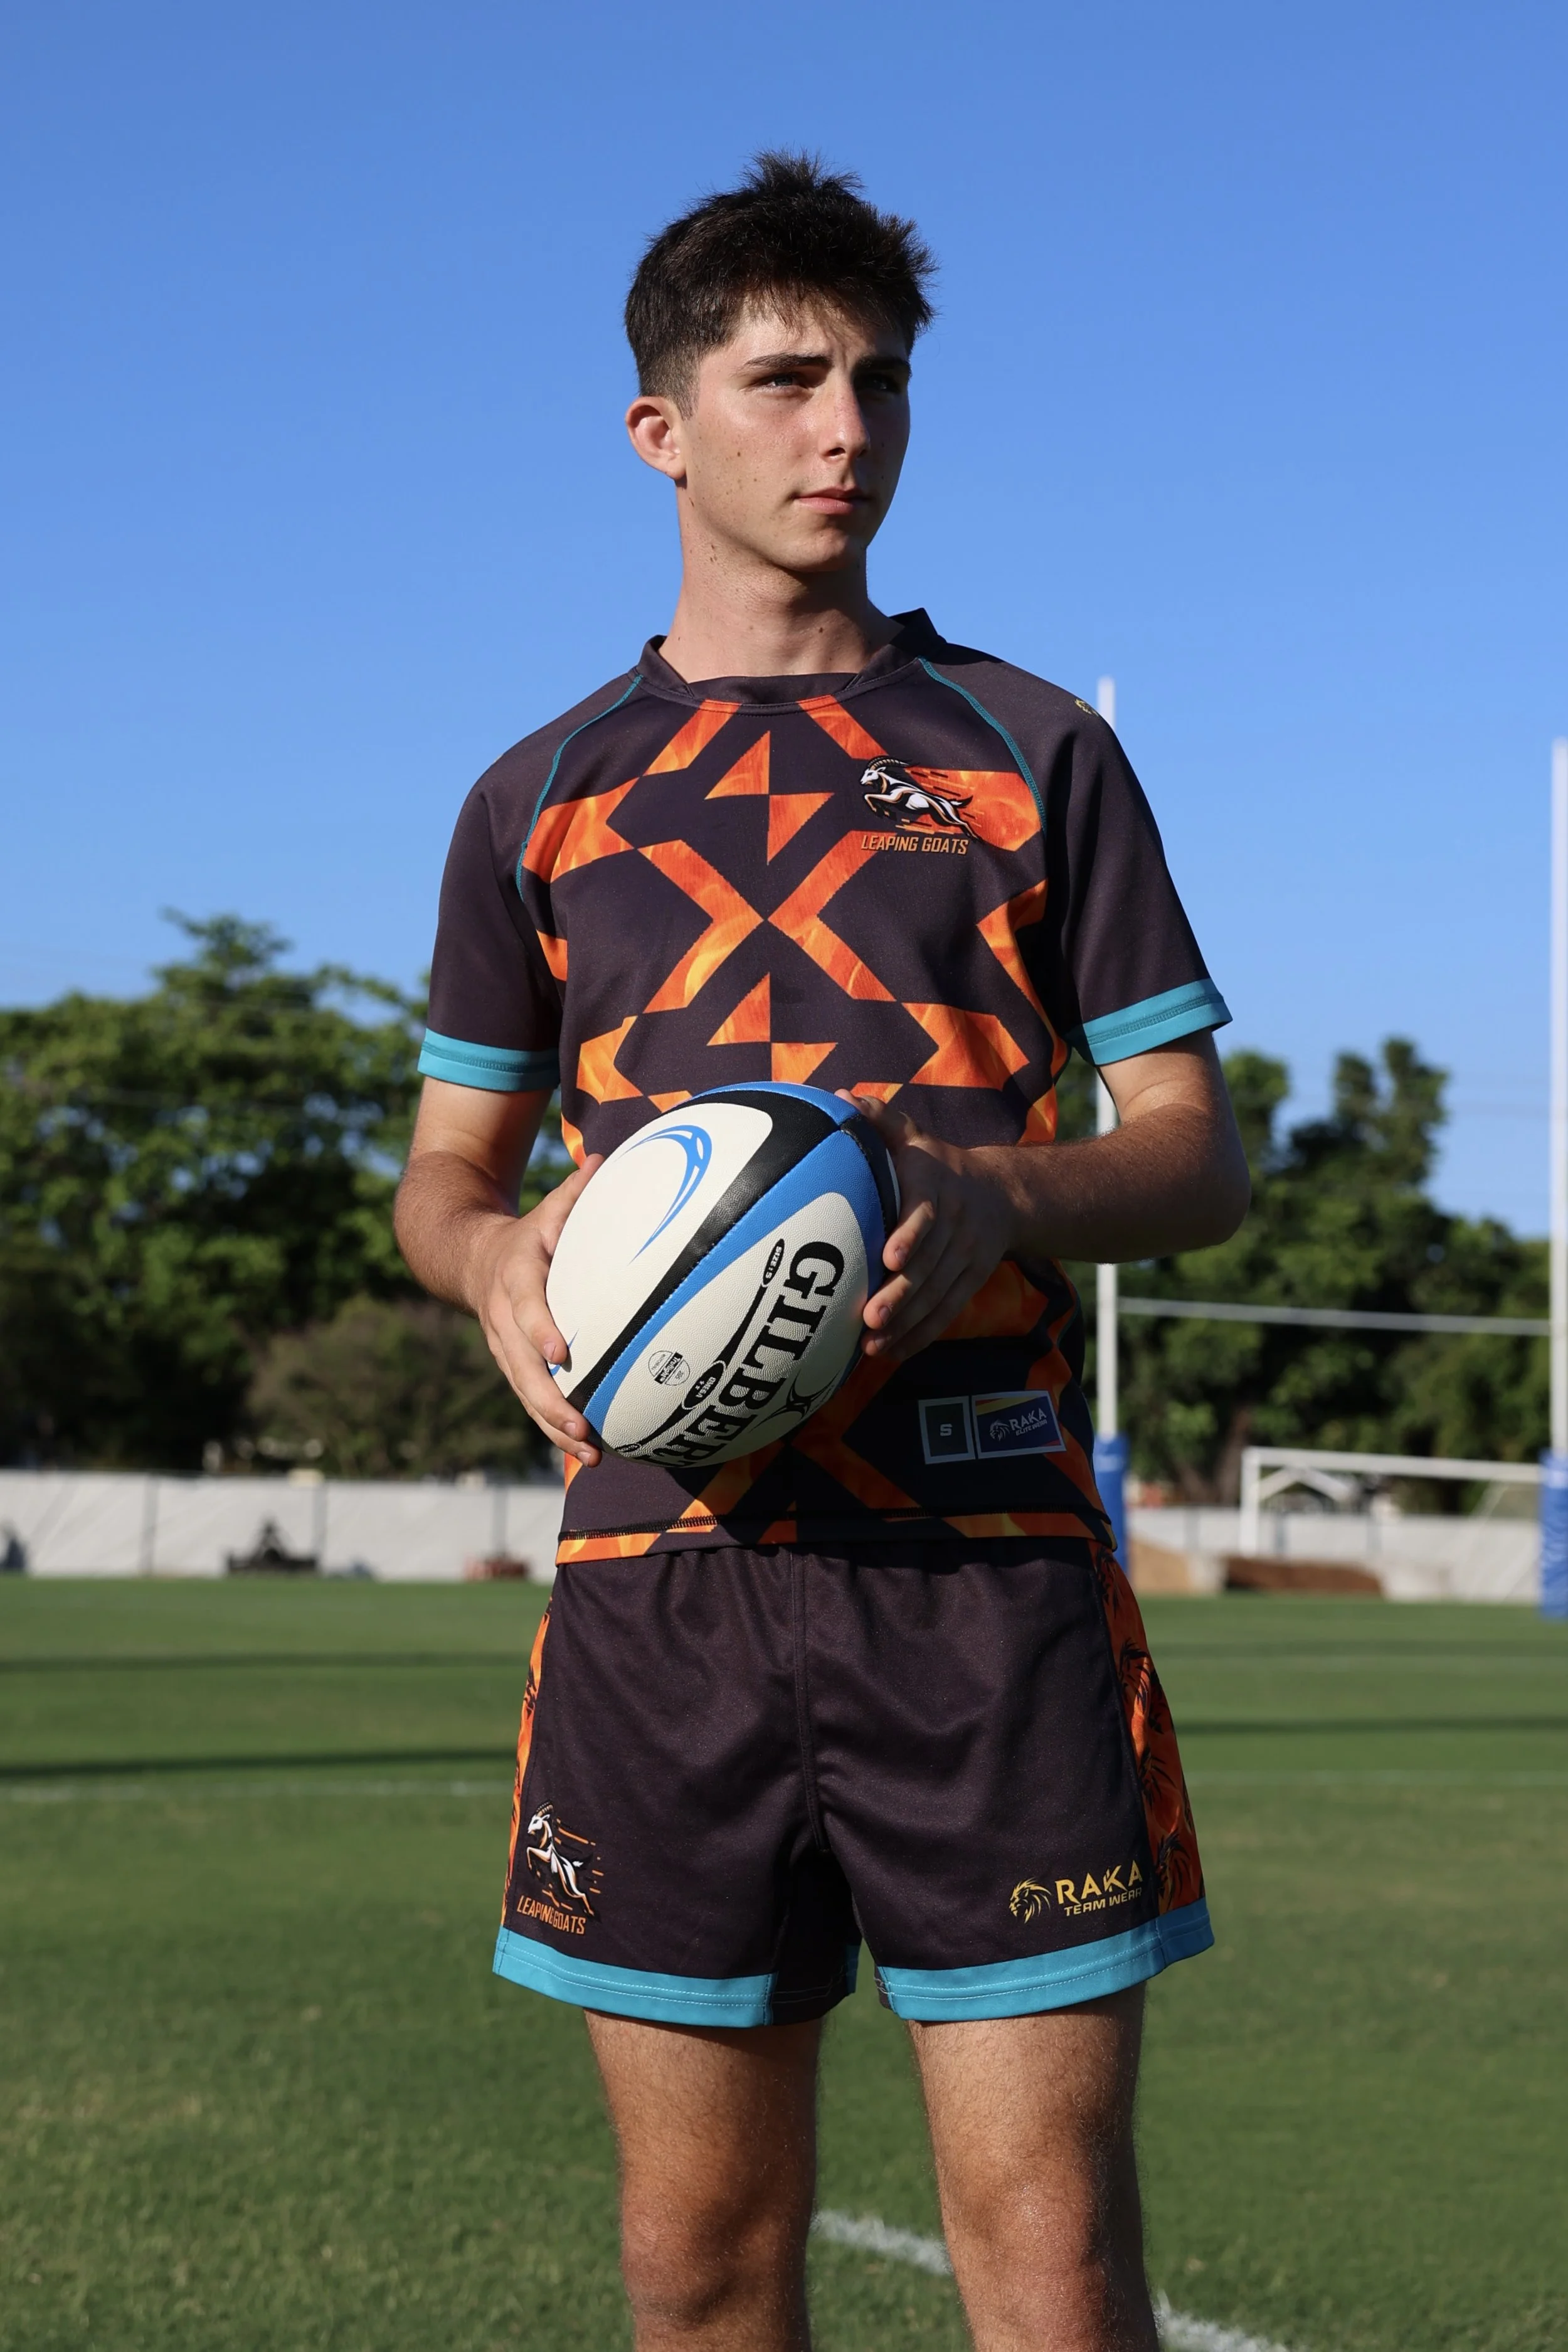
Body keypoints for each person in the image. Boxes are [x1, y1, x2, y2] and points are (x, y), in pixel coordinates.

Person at [395, 152, 1250, 2352]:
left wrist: (993, 1191)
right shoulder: (539, 795)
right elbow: (444, 1171)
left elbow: (1191, 1149)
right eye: (784, 379)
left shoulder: (1032, 752)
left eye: (877, 379)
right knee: (697, 2270)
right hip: (656, 1576)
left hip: (981, 1571)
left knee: (1050, 2270)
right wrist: (489, 1262)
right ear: (660, 429)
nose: (844, 427)